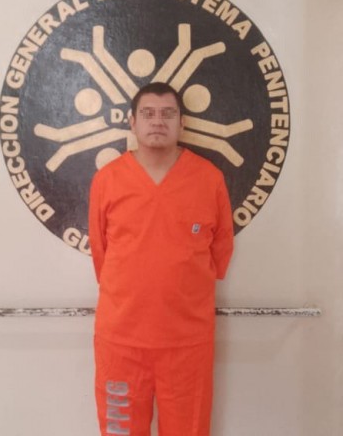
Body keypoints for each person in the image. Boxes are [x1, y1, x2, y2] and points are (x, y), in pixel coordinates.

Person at [88, 81, 234, 436]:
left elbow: (220, 251)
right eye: (148, 113)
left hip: (187, 343)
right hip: (121, 341)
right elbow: (100, 253)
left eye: (168, 114)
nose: (158, 121)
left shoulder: (209, 179)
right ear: (132, 122)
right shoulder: (107, 180)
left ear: (182, 123)